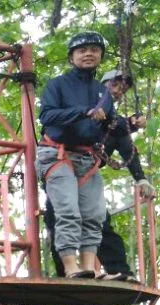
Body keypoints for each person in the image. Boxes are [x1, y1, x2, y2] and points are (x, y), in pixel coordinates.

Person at [43, 69, 152, 281]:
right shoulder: (79, 107)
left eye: (123, 88)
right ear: (101, 86)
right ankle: (67, 271)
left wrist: (140, 177)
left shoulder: (114, 123)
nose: (119, 91)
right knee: (59, 216)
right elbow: (60, 122)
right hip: (60, 166)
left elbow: (127, 147)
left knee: (98, 219)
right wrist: (88, 112)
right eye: (114, 85)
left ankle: (118, 270)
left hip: (86, 173)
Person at [36, 31, 113, 279]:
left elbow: (108, 126)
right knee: (68, 210)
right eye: (82, 50)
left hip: (87, 157)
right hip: (56, 154)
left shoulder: (104, 93)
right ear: (72, 57)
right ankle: (70, 267)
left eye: (94, 49)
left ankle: (89, 268)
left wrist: (126, 123)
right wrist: (84, 112)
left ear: (100, 55)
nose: (88, 53)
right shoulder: (57, 85)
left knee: (93, 214)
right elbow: (47, 116)